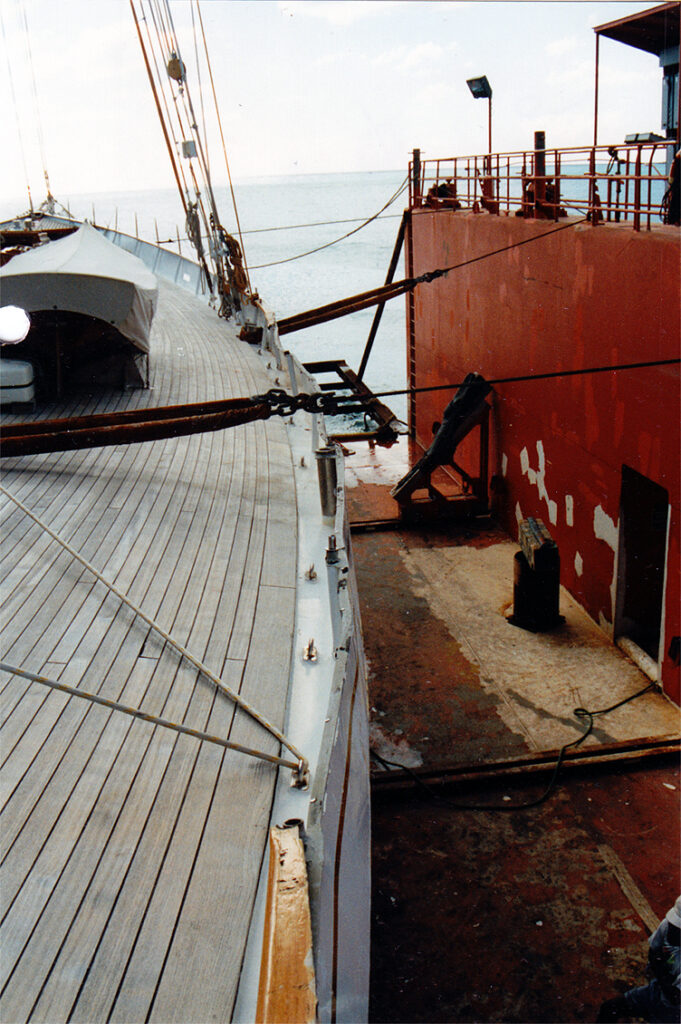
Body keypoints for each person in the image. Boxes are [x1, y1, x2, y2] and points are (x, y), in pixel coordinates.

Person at [597, 896, 681, 1023]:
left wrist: (660, 971)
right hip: (656, 992)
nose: (673, 930)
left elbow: (675, 997)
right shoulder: (668, 925)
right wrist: (664, 977)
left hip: (674, 1014)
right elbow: (653, 952)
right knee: (609, 1008)